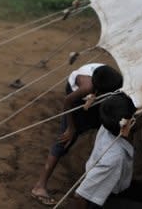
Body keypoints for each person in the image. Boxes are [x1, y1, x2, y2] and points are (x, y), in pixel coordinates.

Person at [31, 63, 123, 205]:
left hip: (97, 97)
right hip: (75, 100)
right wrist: (71, 128)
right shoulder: (86, 87)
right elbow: (67, 101)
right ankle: (39, 186)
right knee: (65, 140)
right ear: (99, 91)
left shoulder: (114, 81)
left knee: (106, 125)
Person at [71, 93, 142, 209]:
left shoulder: (110, 123)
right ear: (129, 125)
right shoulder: (114, 158)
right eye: (139, 115)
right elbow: (80, 196)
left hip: (117, 184)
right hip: (104, 197)